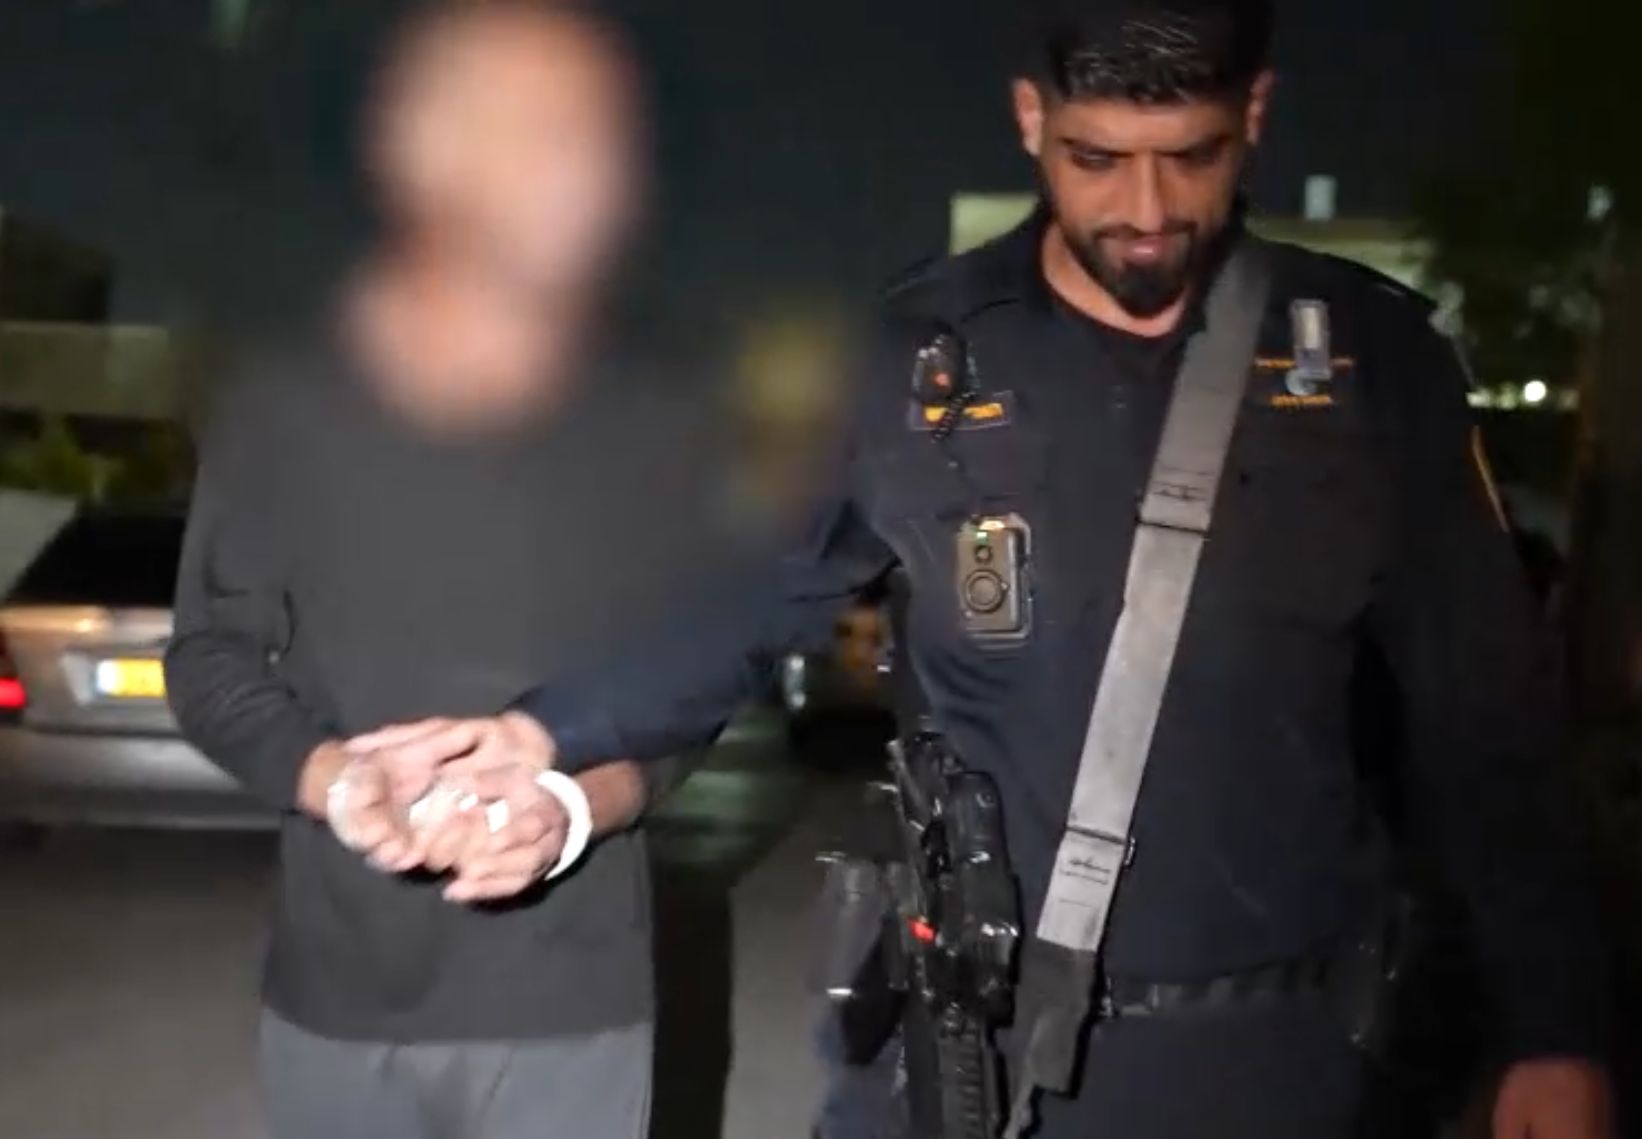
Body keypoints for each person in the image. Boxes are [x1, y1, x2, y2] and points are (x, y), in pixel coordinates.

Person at [358, 1, 1619, 1136]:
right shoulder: (911, 357)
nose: (1145, 209)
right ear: (1029, 120)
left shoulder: (1368, 361)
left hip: (1284, 1055)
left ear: (1255, 116)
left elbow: (1486, 723)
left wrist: (1558, 1027)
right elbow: (737, 601)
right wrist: (545, 733)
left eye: (1189, 155)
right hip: (979, 1048)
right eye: (1095, 157)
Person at [164, 2, 722, 1136]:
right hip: (336, 996)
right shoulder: (281, 405)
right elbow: (209, 654)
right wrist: (329, 775)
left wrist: (574, 804)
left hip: (574, 1004)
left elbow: (692, 681)